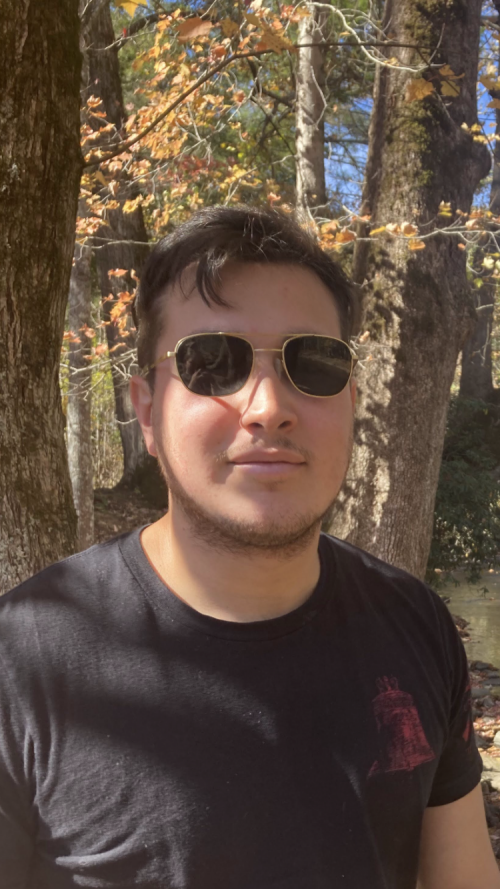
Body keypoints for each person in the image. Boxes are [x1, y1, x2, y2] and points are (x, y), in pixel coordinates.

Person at [0, 205, 497, 889]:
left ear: (350, 400)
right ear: (147, 411)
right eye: (213, 363)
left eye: (312, 363)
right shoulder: (23, 657)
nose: (268, 407)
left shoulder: (417, 626)